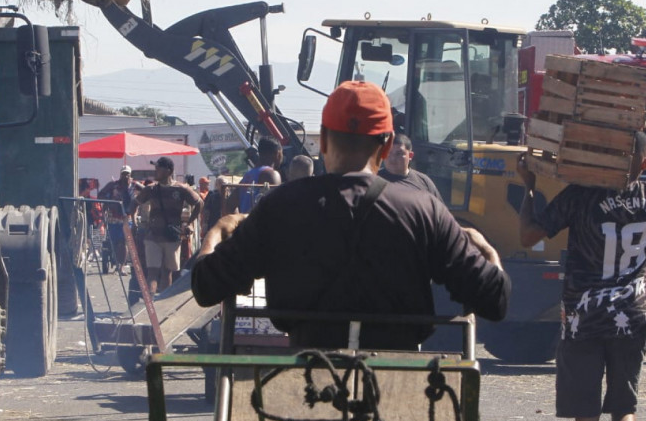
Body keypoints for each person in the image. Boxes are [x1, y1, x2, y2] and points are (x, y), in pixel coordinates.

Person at [192, 81, 510, 351]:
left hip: (308, 389)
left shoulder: (280, 207)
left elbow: (206, 286)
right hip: (399, 393)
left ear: (325, 141)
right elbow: (494, 300)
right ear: (386, 147)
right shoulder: (424, 209)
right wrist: (488, 250)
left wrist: (216, 233)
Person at [517, 123, 646, 421]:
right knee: (625, 408)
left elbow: (528, 235)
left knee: (586, 419)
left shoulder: (580, 196)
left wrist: (529, 187)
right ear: (643, 163)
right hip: (632, 317)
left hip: (583, 319)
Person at [132, 156, 202, 296]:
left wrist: (188, 223)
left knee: (167, 272)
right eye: (156, 168)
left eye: (159, 168)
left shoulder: (181, 188)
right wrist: (131, 219)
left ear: (169, 171)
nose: (156, 170)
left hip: (172, 237)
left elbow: (199, 203)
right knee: (152, 272)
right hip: (153, 236)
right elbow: (134, 203)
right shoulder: (151, 189)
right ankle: (151, 303)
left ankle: (161, 304)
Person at [99, 166, 144, 271]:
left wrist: (139, 201)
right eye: (124, 173)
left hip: (127, 217)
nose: (125, 176)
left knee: (123, 241)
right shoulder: (113, 185)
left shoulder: (134, 185)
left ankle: (121, 266)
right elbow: (101, 194)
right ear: (120, 174)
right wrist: (110, 202)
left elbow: (147, 190)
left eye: (127, 173)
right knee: (115, 241)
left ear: (130, 174)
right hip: (113, 217)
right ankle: (116, 260)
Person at [379, 133, 441, 198]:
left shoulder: (423, 182)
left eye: (399, 153)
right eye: (389, 153)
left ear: (410, 155)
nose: (393, 158)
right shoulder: (374, 181)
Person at [239, 136, 284, 211]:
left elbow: (229, 205)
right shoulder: (272, 175)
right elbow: (277, 207)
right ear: (277, 153)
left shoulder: (247, 176)